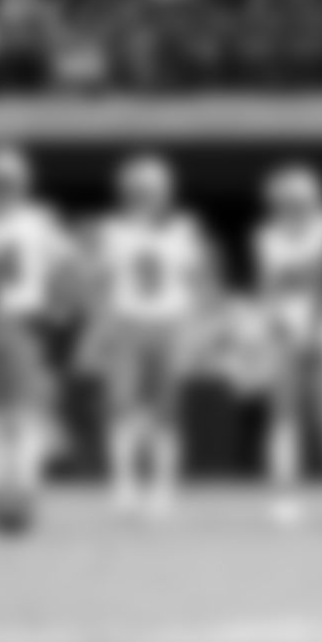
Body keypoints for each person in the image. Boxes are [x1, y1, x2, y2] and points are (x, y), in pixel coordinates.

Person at [78, 155, 217, 521]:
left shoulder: (186, 229)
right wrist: (98, 327)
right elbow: (97, 283)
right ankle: (124, 485)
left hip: (170, 323)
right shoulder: (111, 231)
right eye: (138, 190)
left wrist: (200, 328)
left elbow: (202, 281)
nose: (146, 197)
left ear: (166, 192)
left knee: (167, 411)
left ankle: (162, 487)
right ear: (126, 193)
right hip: (127, 322)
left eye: (153, 190)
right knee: (121, 406)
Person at [0, 146, 70, 533]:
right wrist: (58, 309)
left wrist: (56, 308)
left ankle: (15, 495)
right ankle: (6, 495)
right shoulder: (34, 222)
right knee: (2, 416)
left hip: (8, 321)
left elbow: (66, 271)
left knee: (10, 416)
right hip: (5, 322)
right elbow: (68, 270)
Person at [254, 166, 322, 526]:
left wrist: (321, 330)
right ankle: (285, 494)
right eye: (288, 201)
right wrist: (281, 325)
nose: (296, 207)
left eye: (303, 200)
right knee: (284, 417)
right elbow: (269, 289)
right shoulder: (268, 238)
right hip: (286, 336)